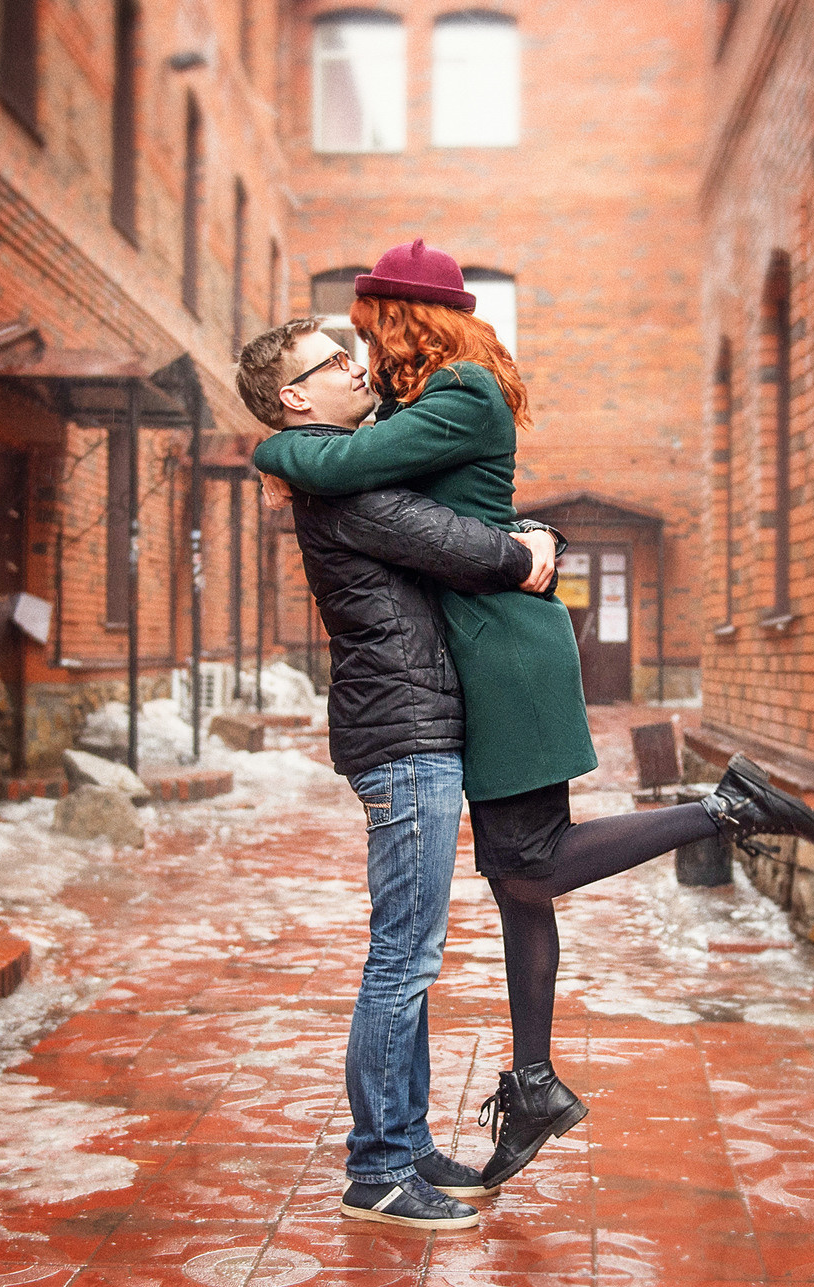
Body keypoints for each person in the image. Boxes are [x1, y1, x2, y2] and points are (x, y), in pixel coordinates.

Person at [253, 242, 814, 1192]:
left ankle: (723, 811)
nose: (362, 353)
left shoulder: (463, 392)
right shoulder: (425, 401)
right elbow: (413, 485)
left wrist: (272, 448)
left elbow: (349, 462)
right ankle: (531, 1081)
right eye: (345, 348)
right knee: (518, 882)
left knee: (532, 861)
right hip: (477, 658)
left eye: (367, 332)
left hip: (505, 653)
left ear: (406, 320)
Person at [234, 317, 565, 1231]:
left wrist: (526, 536)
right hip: (404, 733)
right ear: (296, 397)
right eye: (333, 361)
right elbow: (453, 543)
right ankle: (378, 1167)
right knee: (402, 958)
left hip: (412, 726)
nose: (356, 366)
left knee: (410, 953)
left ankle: (407, 1143)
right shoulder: (334, 475)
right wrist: (525, 552)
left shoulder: (341, 463)